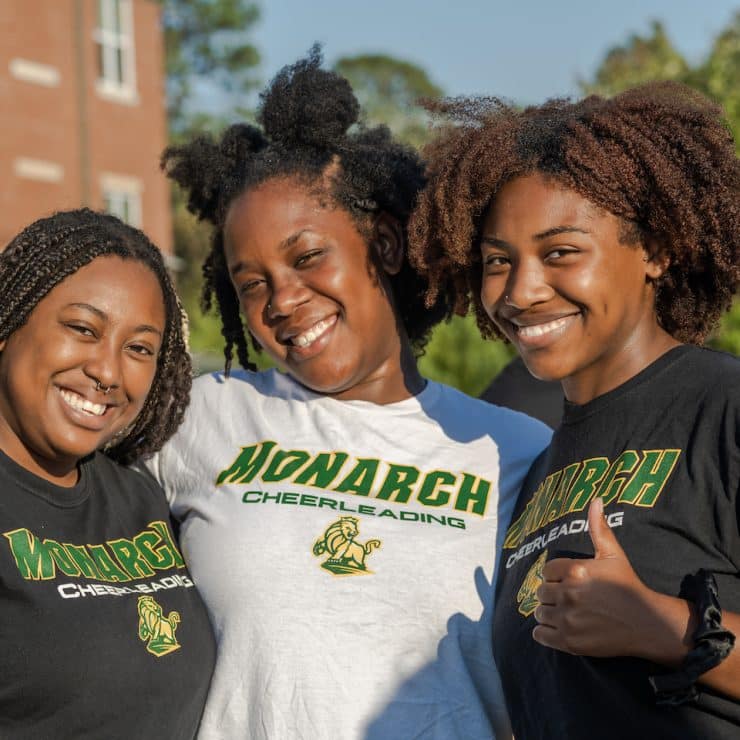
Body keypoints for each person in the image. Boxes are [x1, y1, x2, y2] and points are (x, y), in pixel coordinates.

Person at [145, 49, 551, 740]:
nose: (284, 300)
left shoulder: (516, 450)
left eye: (307, 258)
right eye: (251, 283)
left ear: (386, 246)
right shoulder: (202, 416)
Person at [408, 82, 740, 738]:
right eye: (497, 262)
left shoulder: (723, 407)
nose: (522, 291)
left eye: (561, 253)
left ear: (657, 249)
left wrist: (671, 629)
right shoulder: (538, 466)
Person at [0, 209, 216, 739]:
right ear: (7, 324)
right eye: (82, 329)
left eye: (139, 348)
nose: (107, 371)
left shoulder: (140, 497)